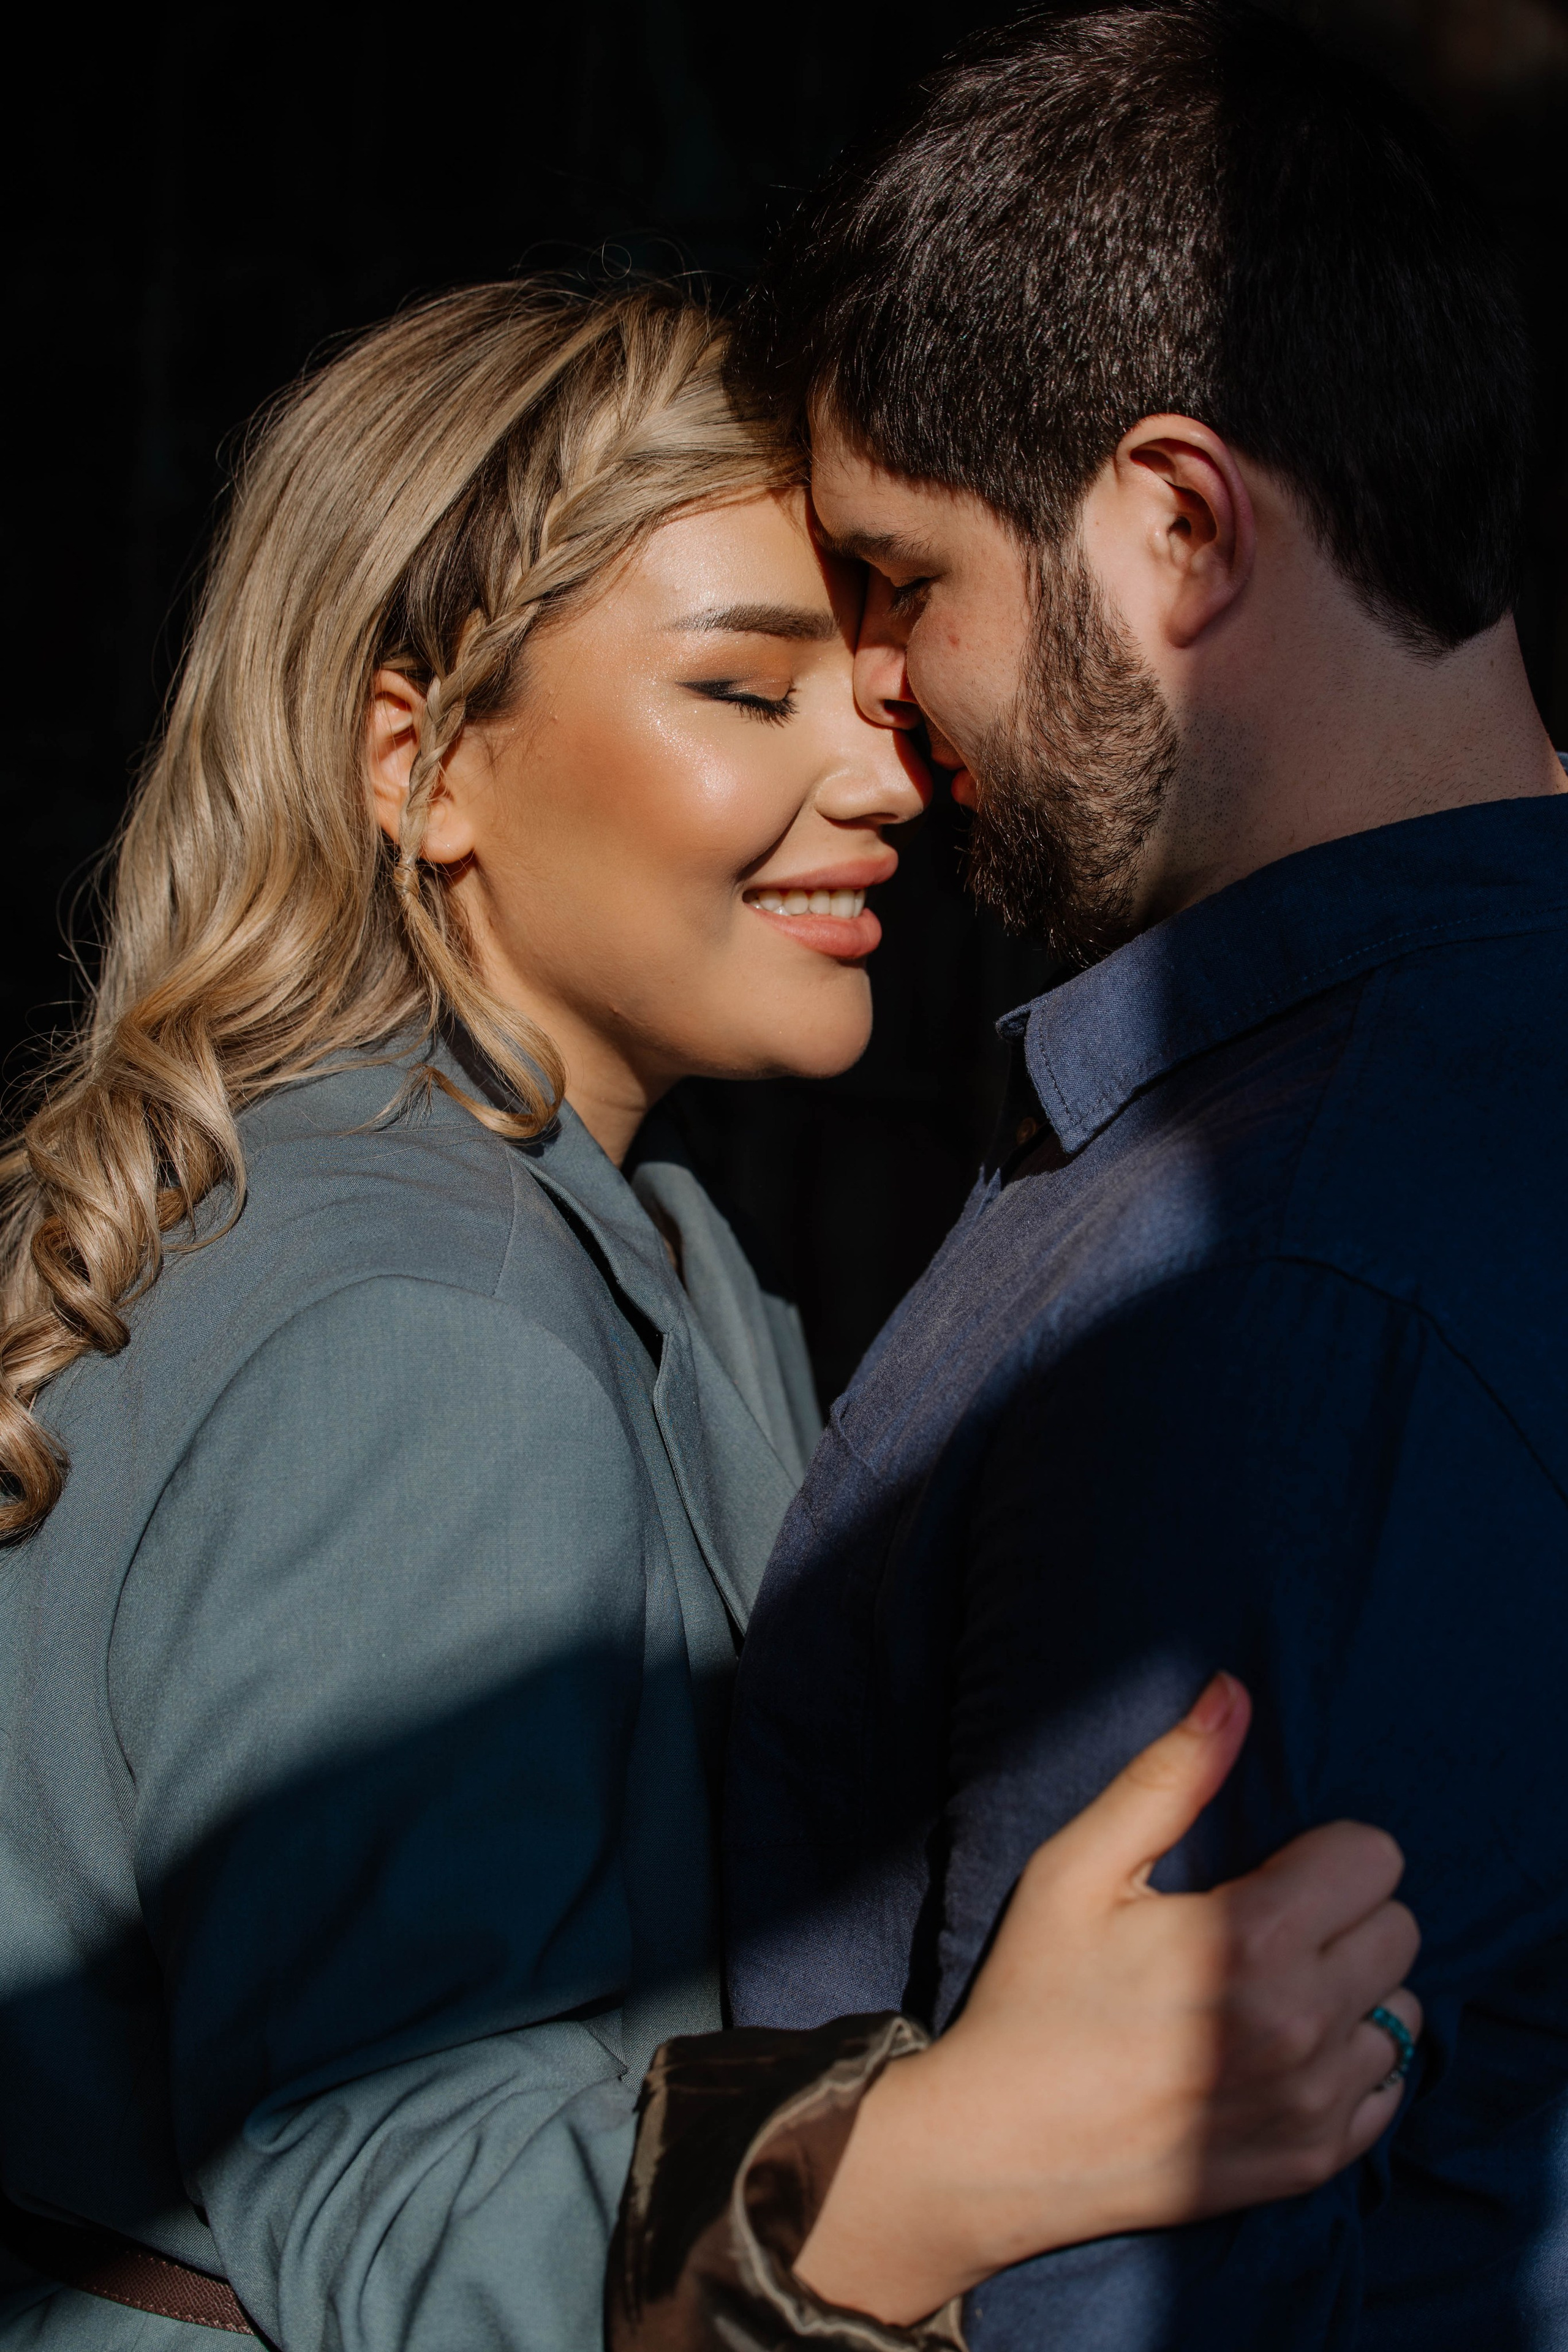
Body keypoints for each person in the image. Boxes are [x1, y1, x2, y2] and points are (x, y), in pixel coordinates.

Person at [0, 282, 1417, 2352]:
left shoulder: (611, 1232)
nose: (886, 778)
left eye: (871, 682)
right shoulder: (431, 1327)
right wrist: (968, 2148)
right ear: (419, 764)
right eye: (744, 693)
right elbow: (397, 2193)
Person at [712, 3, 1568, 2345]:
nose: (877, 692)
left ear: (1180, 529)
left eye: (904, 577)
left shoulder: (1267, 1287)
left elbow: (1103, 2288)